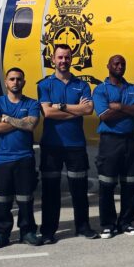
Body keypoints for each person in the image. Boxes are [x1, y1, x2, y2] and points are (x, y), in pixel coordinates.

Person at [38, 44, 98, 241]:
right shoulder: (44, 85)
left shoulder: (82, 85)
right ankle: (48, 230)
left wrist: (61, 107)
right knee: (50, 191)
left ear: (72, 60)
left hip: (75, 145)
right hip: (51, 145)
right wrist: (74, 111)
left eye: (67, 57)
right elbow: (47, 112)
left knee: (79, 190)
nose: (63, 61)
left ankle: (83, 226)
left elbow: (88, 110)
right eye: (60, 57)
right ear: (53, 60)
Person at [0, 67, 44, 249]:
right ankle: (1, 234)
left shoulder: (33, 103)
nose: (15, 82)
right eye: (12, 79)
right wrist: (20, 120)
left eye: (19, 79)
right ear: (6, 82)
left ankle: (27, 231)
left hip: (24, 158)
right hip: (3, 159)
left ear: (24, 82)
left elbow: (31, 125)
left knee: (25, 198)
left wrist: (8, 119)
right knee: (2, 199)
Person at [93, 54, 134, 239]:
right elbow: (105, 116)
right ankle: (107, 224)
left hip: (131, 140)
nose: (119, 66)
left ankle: (126, 222)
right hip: (110, 141)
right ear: (108, 65)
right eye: (116, 63)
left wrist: (118, 107)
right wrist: (128, 109)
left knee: (131, 183)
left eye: (122, 64)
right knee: (107, 184)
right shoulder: (100, 90)